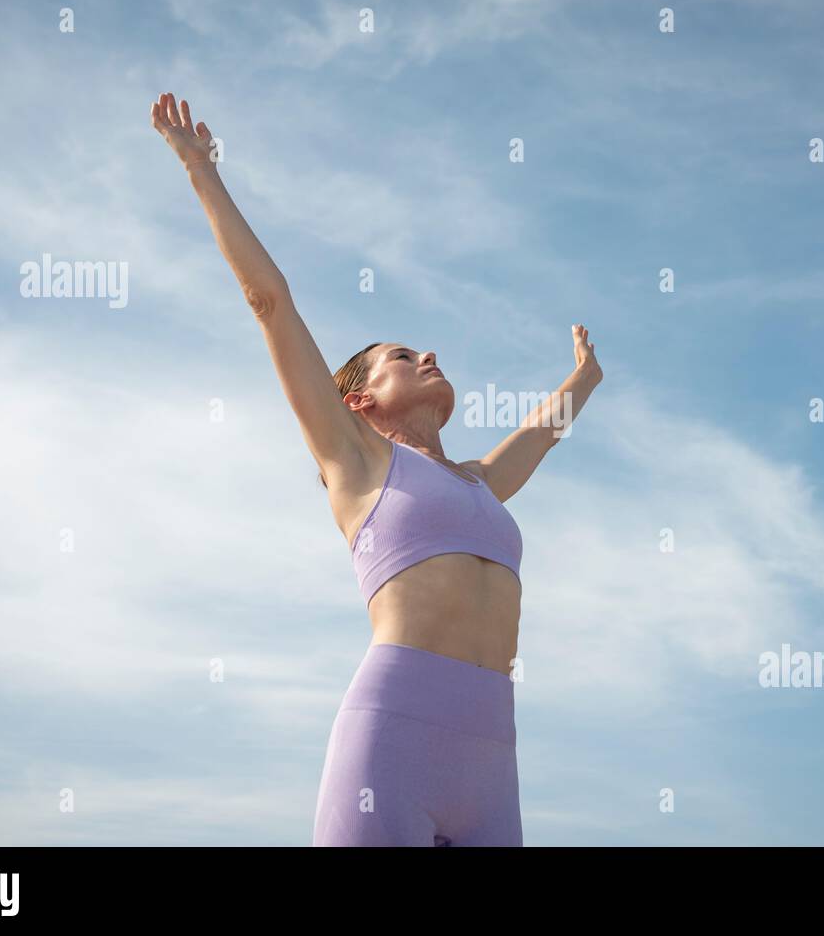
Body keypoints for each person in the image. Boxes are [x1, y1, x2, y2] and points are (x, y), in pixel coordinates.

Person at [150, 92, 603, 845]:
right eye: (403, 356)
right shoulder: (356, 460)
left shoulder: (480, 482)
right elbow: (270, 302)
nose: (428, 355)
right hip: (391, 739)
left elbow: (544, 433)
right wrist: (201, 168)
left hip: (493, 758)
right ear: (361, 400)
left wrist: (584, 377)